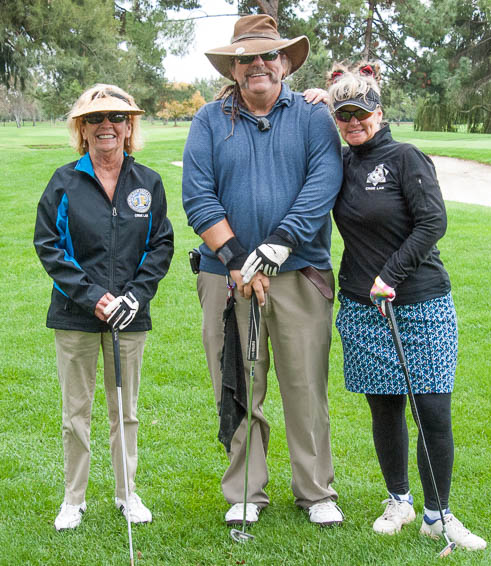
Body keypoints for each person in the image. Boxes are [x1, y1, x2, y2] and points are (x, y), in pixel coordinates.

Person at [182, 14, 344, 527]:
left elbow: (324, 182)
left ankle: (316, 492)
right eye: (247, 58)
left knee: (305, 387)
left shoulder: (315, 117)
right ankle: (245, 494)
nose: (258, 65)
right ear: (233, 68)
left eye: (267, 56)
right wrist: (235, 260)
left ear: (283, 63)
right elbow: (197, 195)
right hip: (226, 276)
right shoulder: (208, 119)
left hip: (299, 272)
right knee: (237, 383)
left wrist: (278, 244)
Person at [324, 65, 486, 550]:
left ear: (379, 111)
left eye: (360, 112)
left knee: (432, 410)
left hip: (421, 302)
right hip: (362, 307)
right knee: (385, 409)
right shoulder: (342, 163)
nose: (353, 122)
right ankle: (399, 500)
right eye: (343, 114)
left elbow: (432, 223)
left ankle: (439, 514)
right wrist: (316, 96)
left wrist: (388, 276)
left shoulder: (405, 157)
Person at [34, 84, 174, 531]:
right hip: (76, 316)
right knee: (76, 414)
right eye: (96, 119)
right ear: (83, 128)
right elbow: (49, 246)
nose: (106, 126)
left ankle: (127, 494)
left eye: (116, 118)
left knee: (125, 411)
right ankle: (73, 499)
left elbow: (161, 244)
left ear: (129, 126)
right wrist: (94, 298)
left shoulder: (147, 181)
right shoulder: (64, 181)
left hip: (130, 316)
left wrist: (135, 295)